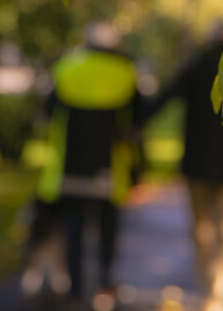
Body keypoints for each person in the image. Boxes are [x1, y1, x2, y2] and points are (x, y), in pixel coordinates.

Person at [144, 25, 223, 311]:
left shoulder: (197, 67)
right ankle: (219, 294)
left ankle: (209, 288)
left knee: (203, 230)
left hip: (196, 162)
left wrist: (135, 117)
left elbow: (162, 100)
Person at [26, 21, 142, 308]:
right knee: (107, 230)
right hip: (110, 169)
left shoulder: (66, 69)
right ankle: (104, 285)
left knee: (73, 229)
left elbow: (47, 113)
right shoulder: (125, 73)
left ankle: (76, 289)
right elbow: (139, 119)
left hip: (69, 168)